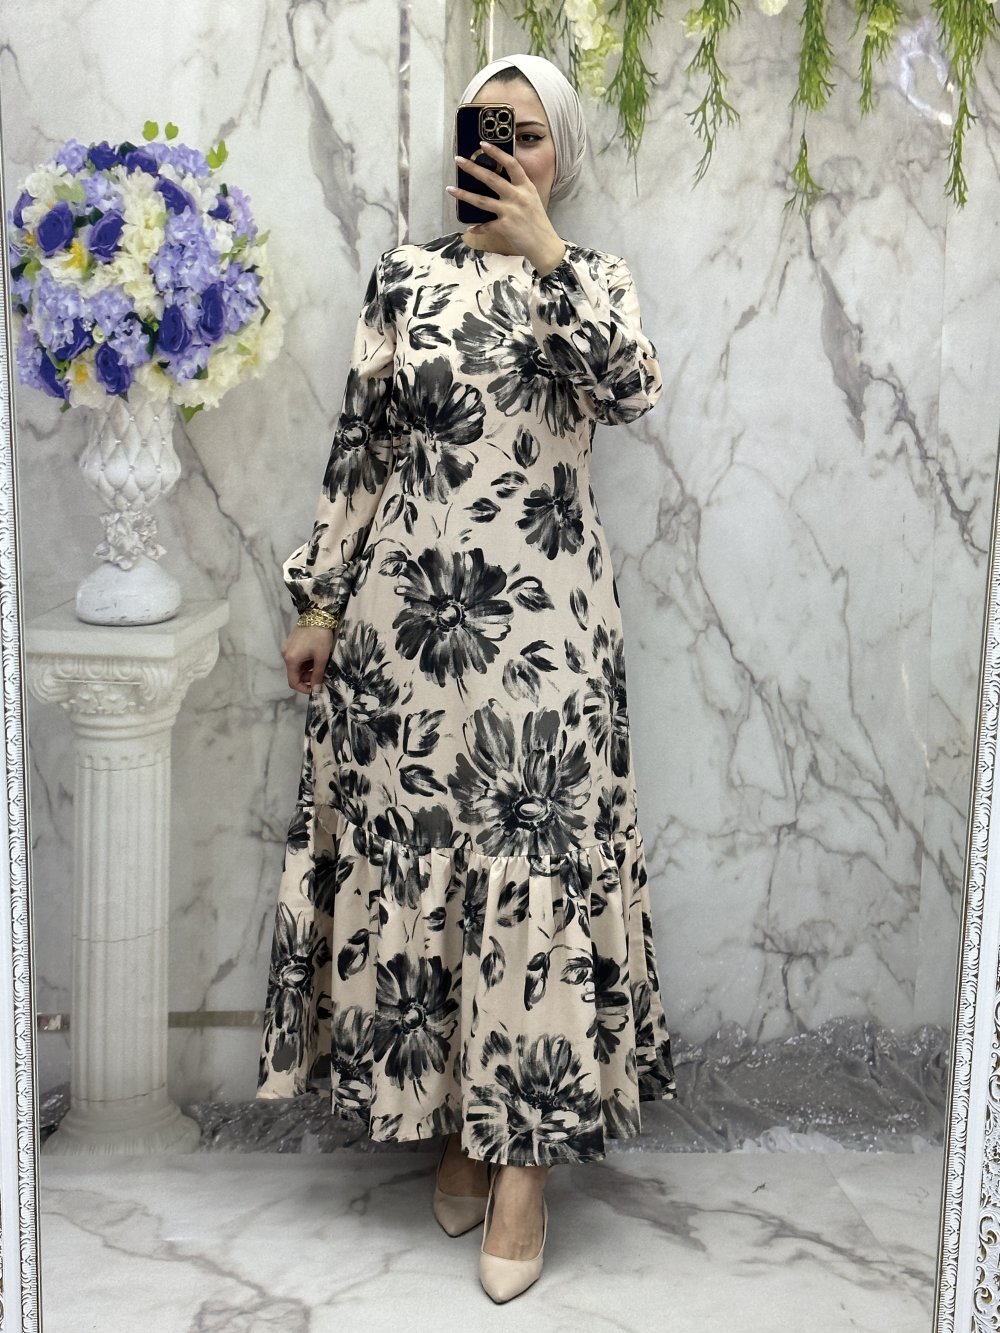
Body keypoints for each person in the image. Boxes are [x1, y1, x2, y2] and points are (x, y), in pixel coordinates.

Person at [256, 51, 678, 1304]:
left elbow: (632, 389)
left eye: (531, 133)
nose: (508, 150)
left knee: (533, 871)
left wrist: (547, 257)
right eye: (489, 128)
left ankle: (523, 1163)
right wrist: (320, 597)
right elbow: (362, 449)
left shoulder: (594, 279)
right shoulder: (405, 277)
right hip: (407, 639)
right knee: (431, 868)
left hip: (547, 633)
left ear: (562, 157)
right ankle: (457, 1125)